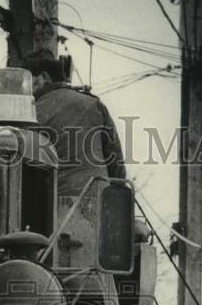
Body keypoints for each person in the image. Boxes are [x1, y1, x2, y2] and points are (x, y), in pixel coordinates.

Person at [23, 48, 126, 197]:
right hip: (98, 200)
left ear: (44, 77)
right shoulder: (93, 104)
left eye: (26, 81)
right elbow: (116, 163)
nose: (23, 89)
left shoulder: (31, 113)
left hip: (52, 208)